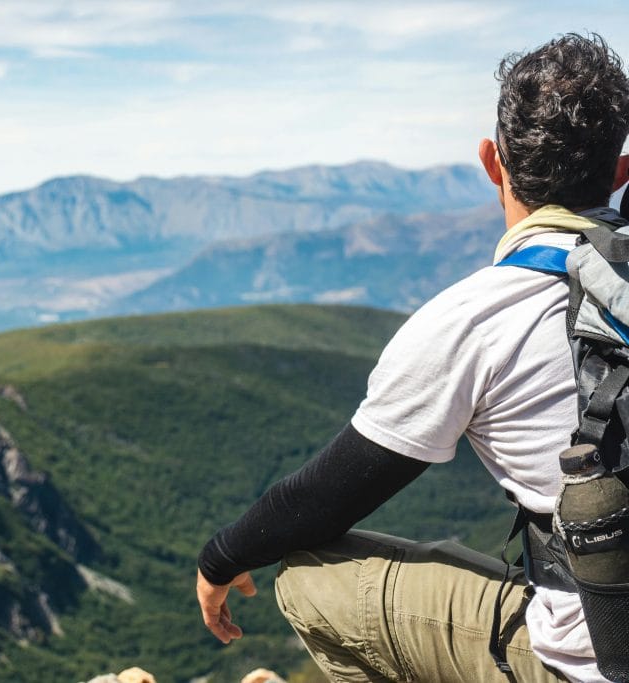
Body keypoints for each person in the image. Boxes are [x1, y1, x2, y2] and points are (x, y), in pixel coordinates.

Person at [196, 33, 629, 682]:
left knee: (309, 580)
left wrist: (219, 558)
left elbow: (321, 502)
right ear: (620, 174)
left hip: (591, 662)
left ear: (492, 162)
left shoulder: (475, 319)